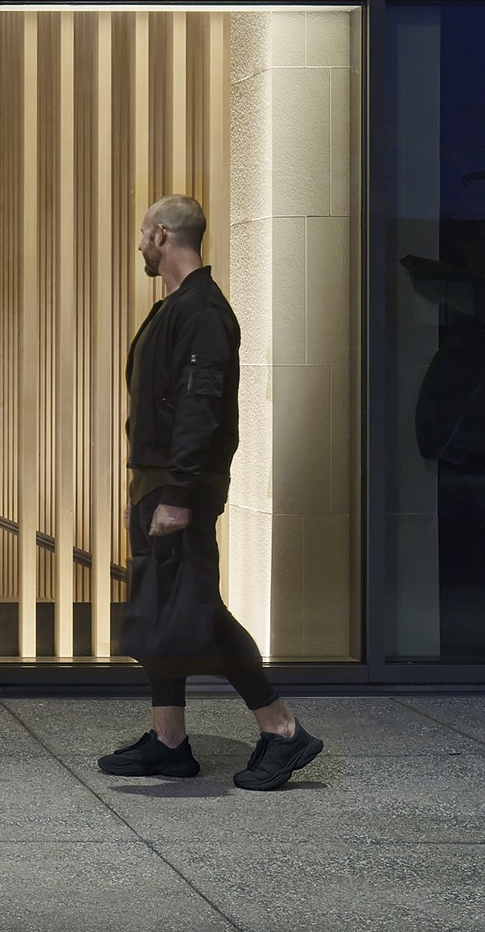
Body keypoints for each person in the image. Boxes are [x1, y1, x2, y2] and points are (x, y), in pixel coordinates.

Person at [96, 194, 324, 792]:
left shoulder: (203, 312)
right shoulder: (177, 307)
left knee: (201, 613)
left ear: (165, 236)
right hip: (156, 483)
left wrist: (177, 493)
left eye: (145, 232)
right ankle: (169, 741)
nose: (141, 243)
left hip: (178, 491)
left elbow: (200, 407)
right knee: (160, 611)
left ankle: (282, 730)